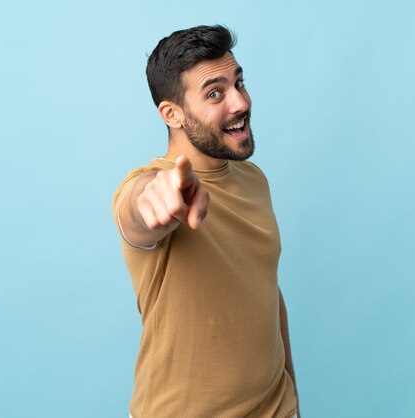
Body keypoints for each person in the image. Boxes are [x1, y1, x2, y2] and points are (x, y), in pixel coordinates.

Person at [112, 25, 300, 418]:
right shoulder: (152, 188)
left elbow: (265, 288)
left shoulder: (253, 179)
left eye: (239, 83)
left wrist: (292, 394)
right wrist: (156, 199)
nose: (240, 102)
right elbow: (138, 213)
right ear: (172, 114)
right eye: (215, 93)